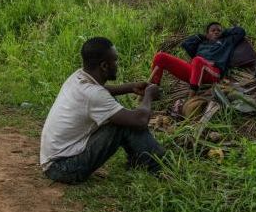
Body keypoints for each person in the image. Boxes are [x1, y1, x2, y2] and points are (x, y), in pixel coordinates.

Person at [40, 37, 165, 184]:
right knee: (122, 123)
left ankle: (147, 161)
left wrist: (130, 87)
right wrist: (149, 95)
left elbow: (102, 92)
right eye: (115, 61)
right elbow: (141, 121)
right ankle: (158, 166)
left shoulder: (78, 77)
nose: (117, 65)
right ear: (104, 66)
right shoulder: (94, 95)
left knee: (116, 110)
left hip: (54, 162)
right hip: (63, 168)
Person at [150, 22, 246, 95]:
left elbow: (240, 31)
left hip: (213, 72)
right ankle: (153, 89)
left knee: (197, 60)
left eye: (218, 30)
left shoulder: (227, 41)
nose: (216, 32)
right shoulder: (202, 43)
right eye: (213, 30)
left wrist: (224, 33)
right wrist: (202, 36)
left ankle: (192, 97)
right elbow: (186, 44)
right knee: (160, 56)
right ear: (207, 34)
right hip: (194, 71)